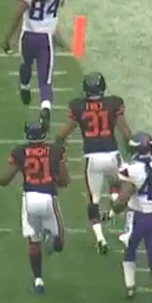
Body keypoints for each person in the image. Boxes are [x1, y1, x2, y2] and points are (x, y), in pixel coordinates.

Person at [55, 72, 131, 254]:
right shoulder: (113, 103)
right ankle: (119, 219)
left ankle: (100, 238)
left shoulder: (78, 106)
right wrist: (132, 149)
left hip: (93, 158)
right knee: (121, 188)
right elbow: (125, 132)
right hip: (113, 155)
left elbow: (62, 134)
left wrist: (59, 149)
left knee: (93, 200)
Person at [107, 132, 152, 303]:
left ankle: (130, 288)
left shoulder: (130, 169)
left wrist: (113, 208)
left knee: (130, 250)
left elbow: (123, 199)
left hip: (139, 216)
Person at [0, 120, 69, 294]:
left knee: (33, 240)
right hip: (48, 197)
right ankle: (50, 241)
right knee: (59, 241)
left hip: (29, 198)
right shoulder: (54, 151)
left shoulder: (20, 152)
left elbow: (4, 180)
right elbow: (64, 181)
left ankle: (38, 280)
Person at [0, 0, 66, 130]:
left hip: (28, 35)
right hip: (46, 38)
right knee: (45, 80)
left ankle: (25, 87)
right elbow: (59, 4)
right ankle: (45, 107)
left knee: (26, 64)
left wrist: (7, 38)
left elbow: (18, 15)